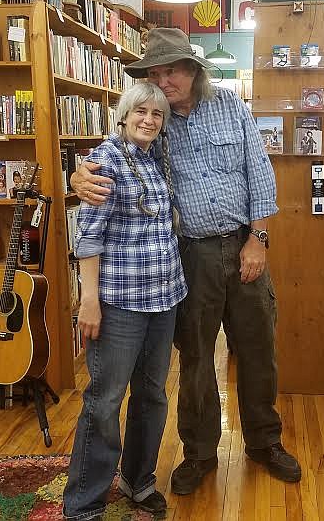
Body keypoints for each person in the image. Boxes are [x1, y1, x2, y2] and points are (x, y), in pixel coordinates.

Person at [71, 27, 301, 496]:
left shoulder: (232, 107)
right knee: (195, 360)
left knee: (258, 351)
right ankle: (198, 453)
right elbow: (113, 155)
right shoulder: (154, 121)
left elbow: (259, 171)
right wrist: (79, 174)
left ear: (194, 71)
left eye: (171, 70)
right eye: (154, 74)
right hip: (189, 255)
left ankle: (263, 442)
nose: (163, 81)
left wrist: (257, 239)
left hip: (244, 247)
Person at [63, 82, 186, 521]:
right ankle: (84, 503)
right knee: (106, 400)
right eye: (141, 111)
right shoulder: (105, 160)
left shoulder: (159, 158)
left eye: (157, 113)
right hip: (118, 302)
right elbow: (88, 237)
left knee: (152, 395)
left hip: (164, 298)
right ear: (124, 113)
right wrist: (88, 300)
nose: (149, 120)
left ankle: (139, 481)